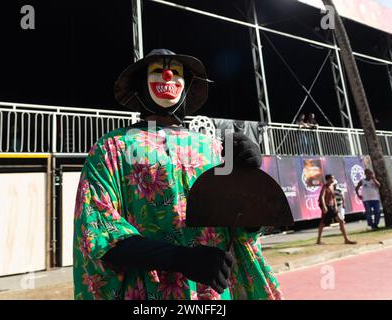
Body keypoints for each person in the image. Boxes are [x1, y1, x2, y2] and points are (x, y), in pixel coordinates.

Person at [73, 49, 283, 300]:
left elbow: (244, 229)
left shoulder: (214, 148)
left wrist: (249, 178)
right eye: (156, 71)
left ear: (186, 86)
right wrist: (179, 258)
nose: (168, 75)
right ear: (140, 85)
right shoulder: (112, 147)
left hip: (212, 297)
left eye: (176, 72)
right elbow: (99, 232)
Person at [316, 174, 357, 245]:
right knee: (323, 223)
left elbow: (333, 197)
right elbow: (322, 197)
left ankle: (346, 239)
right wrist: (324, 206)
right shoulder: (325, 187)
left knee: (341, 221)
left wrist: (335, 206)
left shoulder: (332, 186)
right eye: (331, 178)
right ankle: (318, 240)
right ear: (328, 179)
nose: (333, 180)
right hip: (327, 206)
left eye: (333, 178)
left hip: (332, 206)